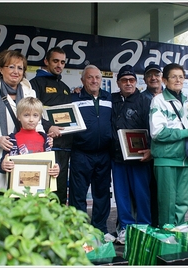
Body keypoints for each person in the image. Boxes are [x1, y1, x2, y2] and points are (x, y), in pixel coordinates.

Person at [0, 49, 44, 192]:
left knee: (21, 200)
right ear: (0, 69)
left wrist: (43, 137)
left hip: (25, 156)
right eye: (11, 67)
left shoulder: (29, 92)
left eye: (20, 68)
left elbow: (38, 121)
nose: (16, 71)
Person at [149, 63, 188, 228]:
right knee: (167, 204)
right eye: (173, 76)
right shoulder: (158, 100)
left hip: (186, 159)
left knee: (182, 203)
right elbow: (157, 133)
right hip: (166, 159)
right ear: (165, 80)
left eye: (181, 76)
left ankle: (177, 237)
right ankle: (166, 241)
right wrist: (186, 132)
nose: (178, 80)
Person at [69, 65, 115, 242]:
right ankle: (79, 232)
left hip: (104, 154)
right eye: (90, 77)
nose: (94, 80)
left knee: (102, 194)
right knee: (78, 195)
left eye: (97, 77)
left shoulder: (109, 98)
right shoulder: (74, 98)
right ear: (82, 80)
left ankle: (100, 230)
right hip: (81, 153)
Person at [111, 64, 152, 244]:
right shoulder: (110, 99)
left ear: (136, 82)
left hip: (139, 157)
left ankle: (144, 227)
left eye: (132, 80)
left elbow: (151, 128)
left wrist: (151, 149)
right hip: (117, 156)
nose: (128, 83)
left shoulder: (144, 100)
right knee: (121, 195)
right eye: (124, 80)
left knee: (142, 194)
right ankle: (125, 228)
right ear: (118, 82)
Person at [30, 47, 73, 206]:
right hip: (44, 145)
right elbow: (32, 113)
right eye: (55, 61)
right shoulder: (35, 84)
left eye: (62, 62)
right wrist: (48, 127)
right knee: (43, 191)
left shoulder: (65, 87)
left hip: (64, 147)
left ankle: (58, 227)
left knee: (60, 191)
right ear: (46, 61)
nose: (59, 65)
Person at [0, 97, 60, 179]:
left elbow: (53, 162)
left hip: (41, 186)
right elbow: (2, 166)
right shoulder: (11, 140)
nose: (31, 119)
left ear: (40, 118)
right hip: (18, 187)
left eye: (35, 115)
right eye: (26, 115)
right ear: (19, 117)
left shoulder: (45, 139)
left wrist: (56, 168)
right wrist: (3, 165)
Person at [141, 63, 164, 228]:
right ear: (145, 79)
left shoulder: (172, 97)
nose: (153, 78)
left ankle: (164, 226)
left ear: (162, 77)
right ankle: (151, 227)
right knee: (148, 194)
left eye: (157, 74)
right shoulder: (141, 98)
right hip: (145, 154)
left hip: (165, 153)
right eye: (150, 75)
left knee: (165, 194)